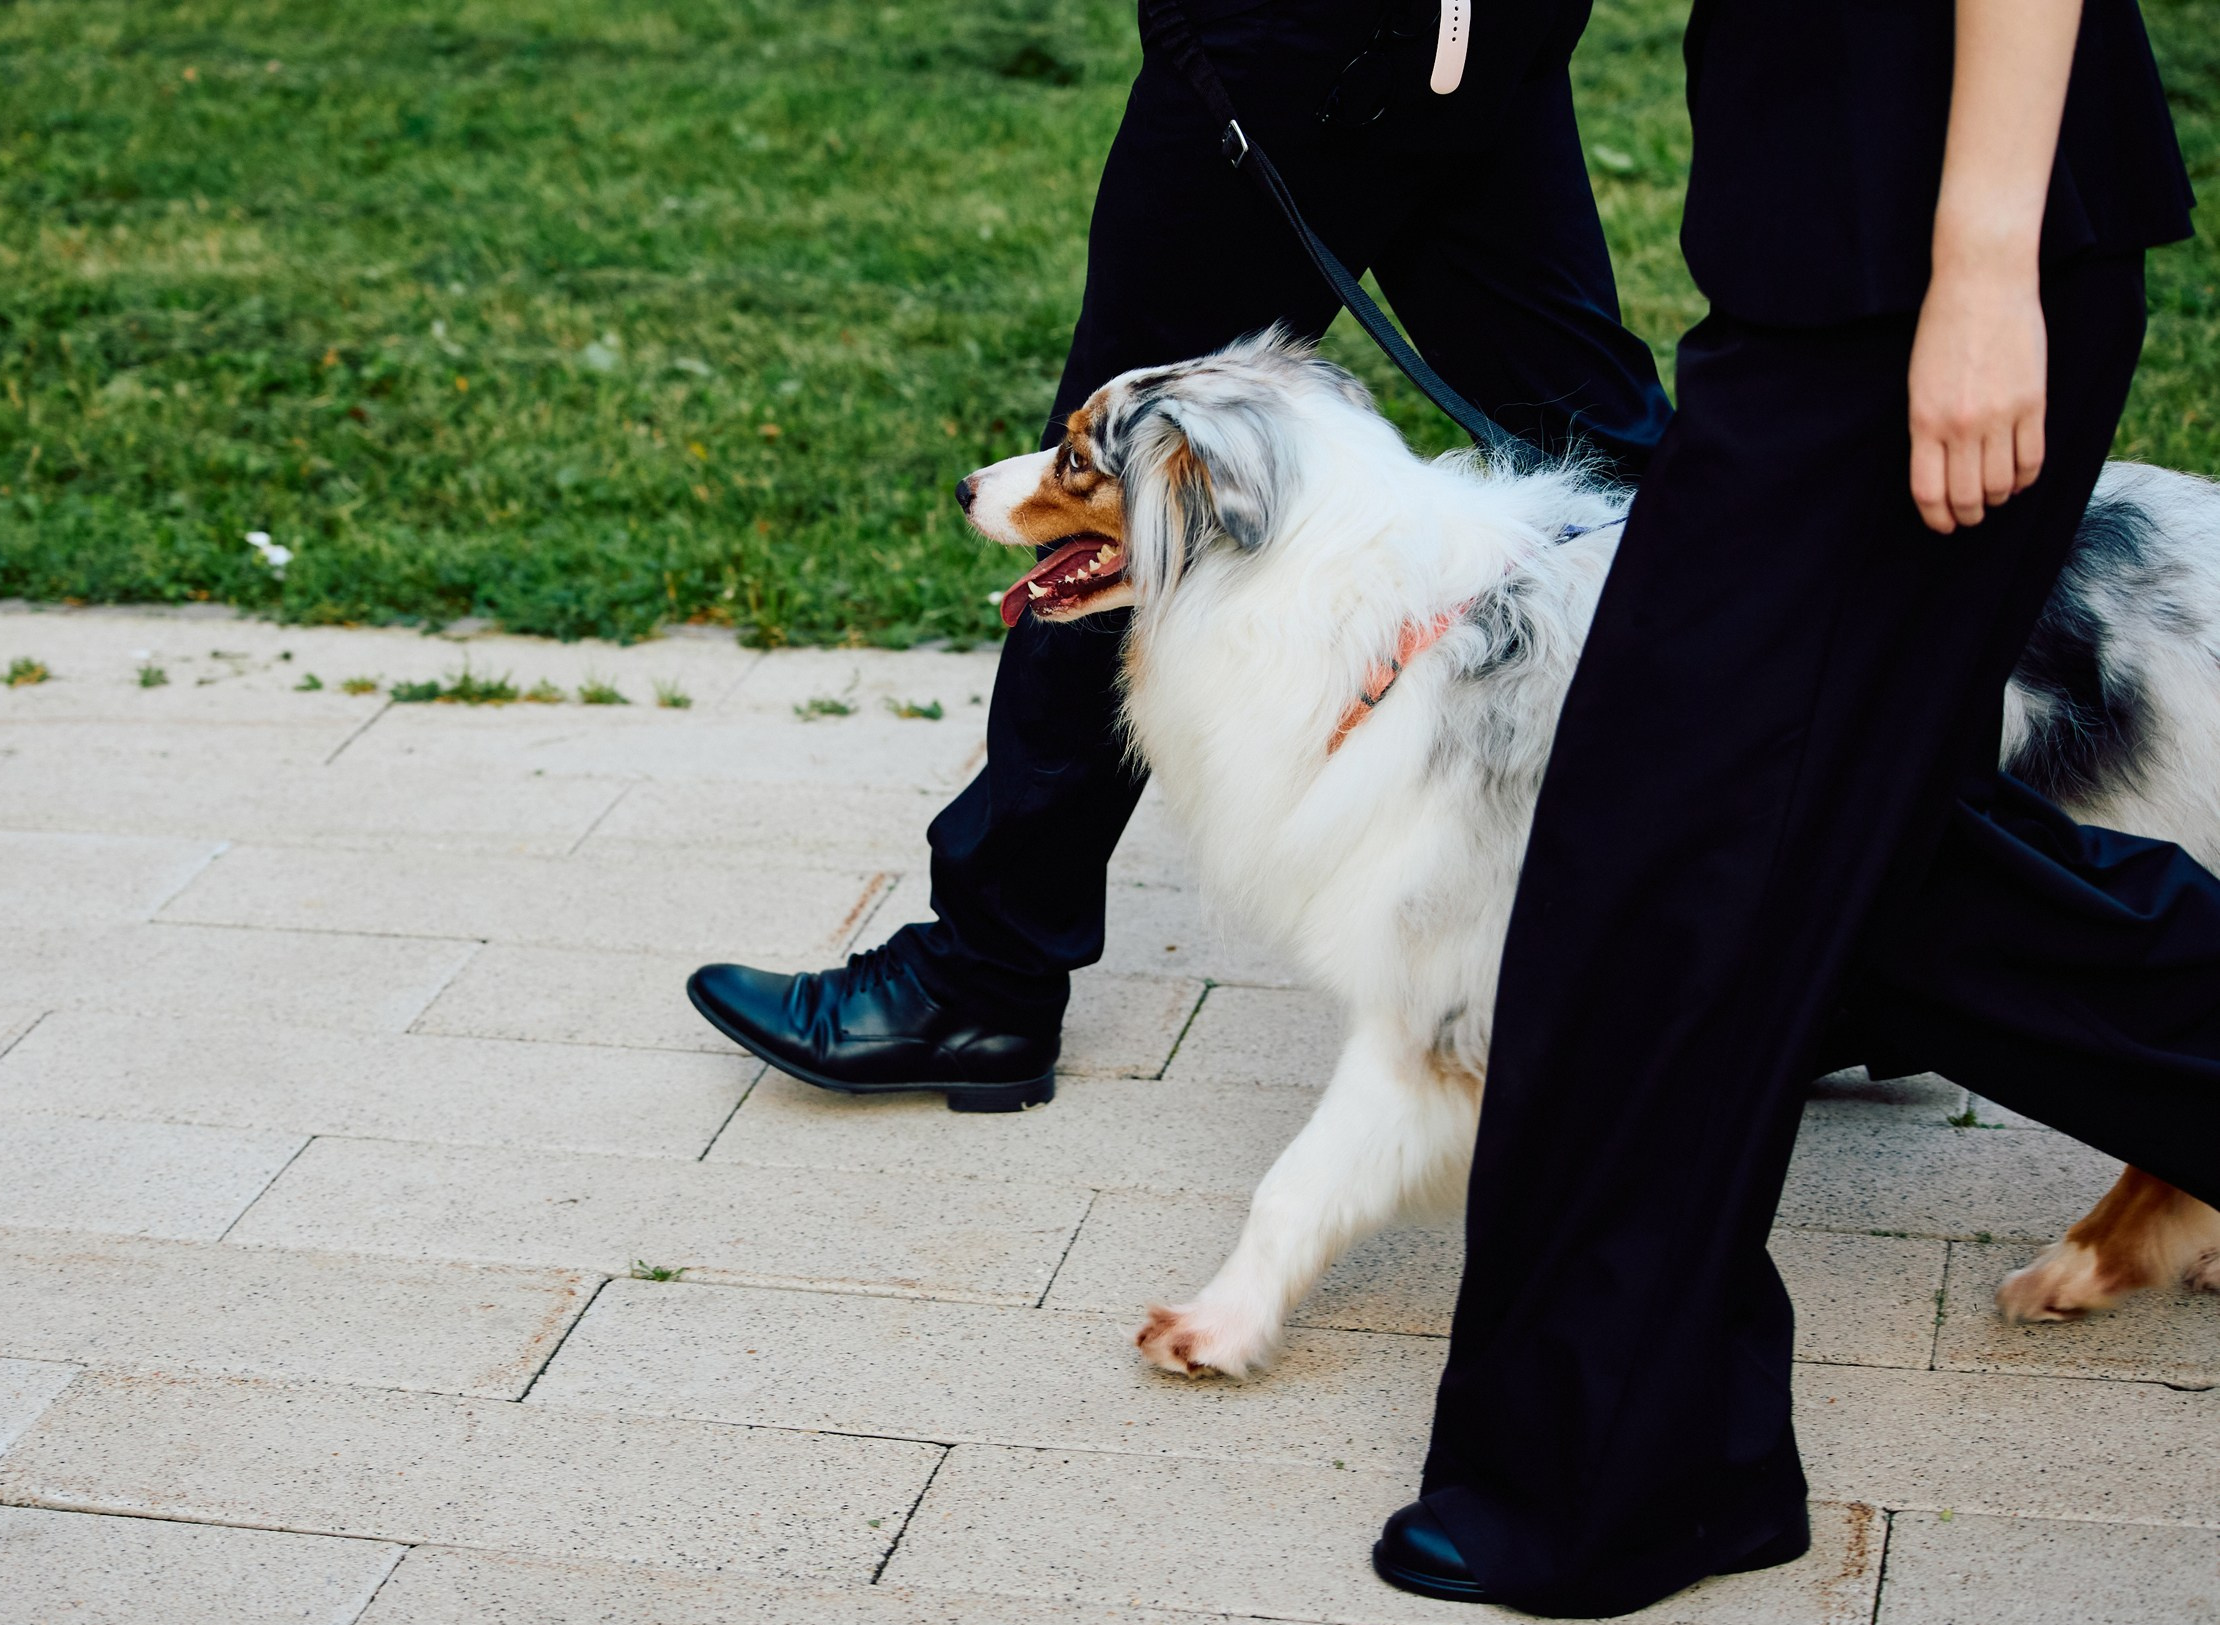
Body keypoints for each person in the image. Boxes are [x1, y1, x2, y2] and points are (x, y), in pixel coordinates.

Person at [1370, 0, 2206, 1618]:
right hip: (1828, 252)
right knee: (1868, 870)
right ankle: (1638, 1457)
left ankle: (1622, 1472)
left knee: (1658, 841)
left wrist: (1981, 265)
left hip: (1936, 273)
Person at [687, 0, 1671, 1108]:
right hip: (1478, 20)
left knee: (1124, 485)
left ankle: (984, 976)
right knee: (1611, 462)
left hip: (1309, 30)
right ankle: (1795, 933)